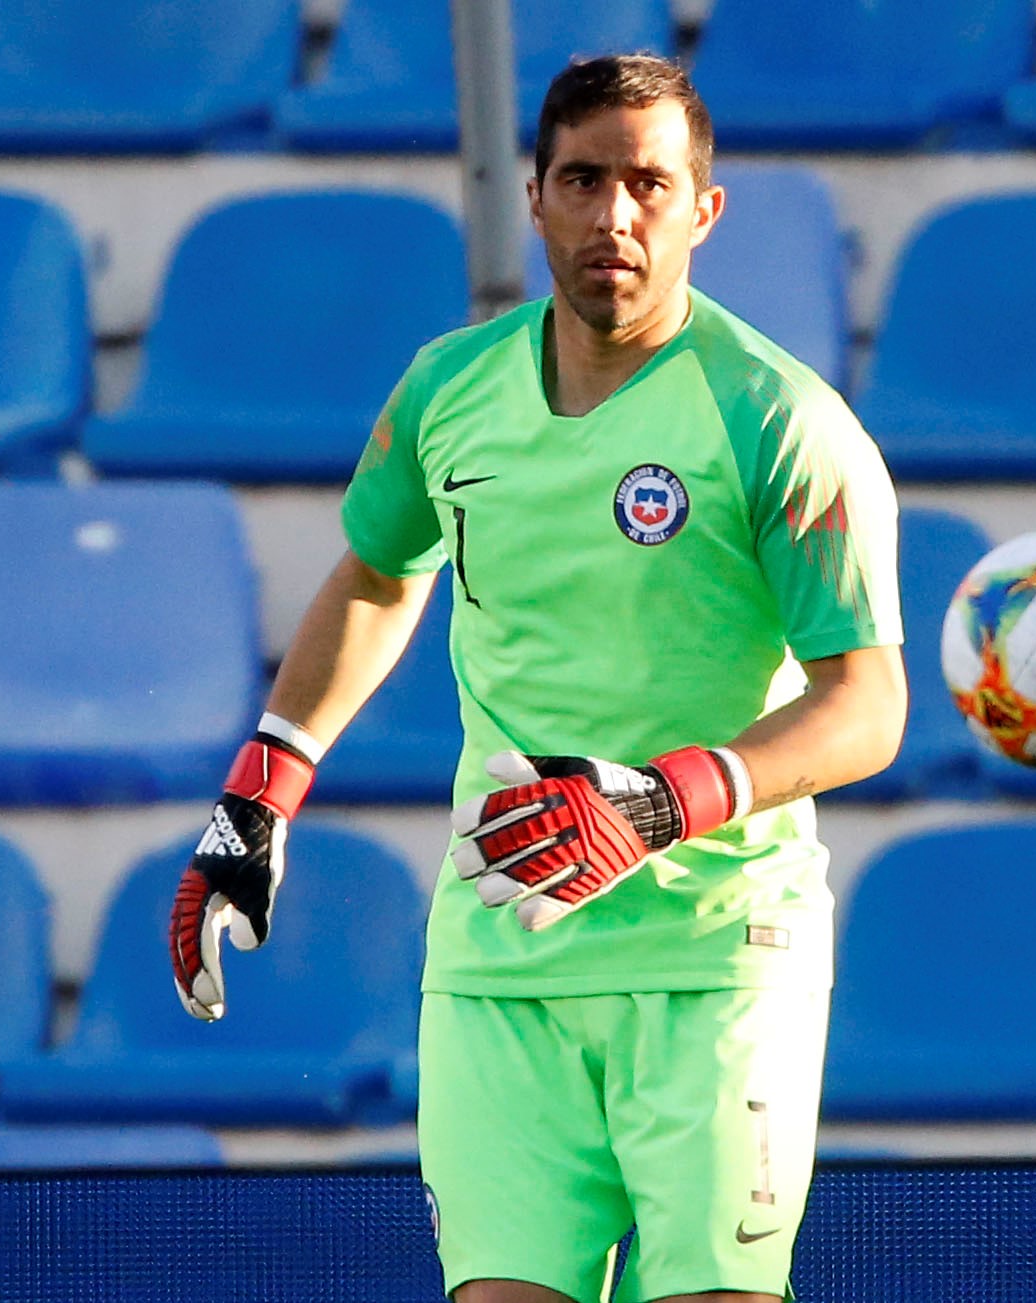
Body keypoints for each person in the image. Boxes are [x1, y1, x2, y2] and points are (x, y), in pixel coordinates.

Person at [167, 53, 906, 1303]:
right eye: (583, 180)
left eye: (649, 185)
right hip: (501, 951)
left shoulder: (780, 420)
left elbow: (866, 705)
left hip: (716, 953)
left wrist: (660, 804)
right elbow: (376, 575)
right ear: (536, 195)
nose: (614, 216)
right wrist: (260, 792)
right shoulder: (449, 391)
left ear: (702, 212)